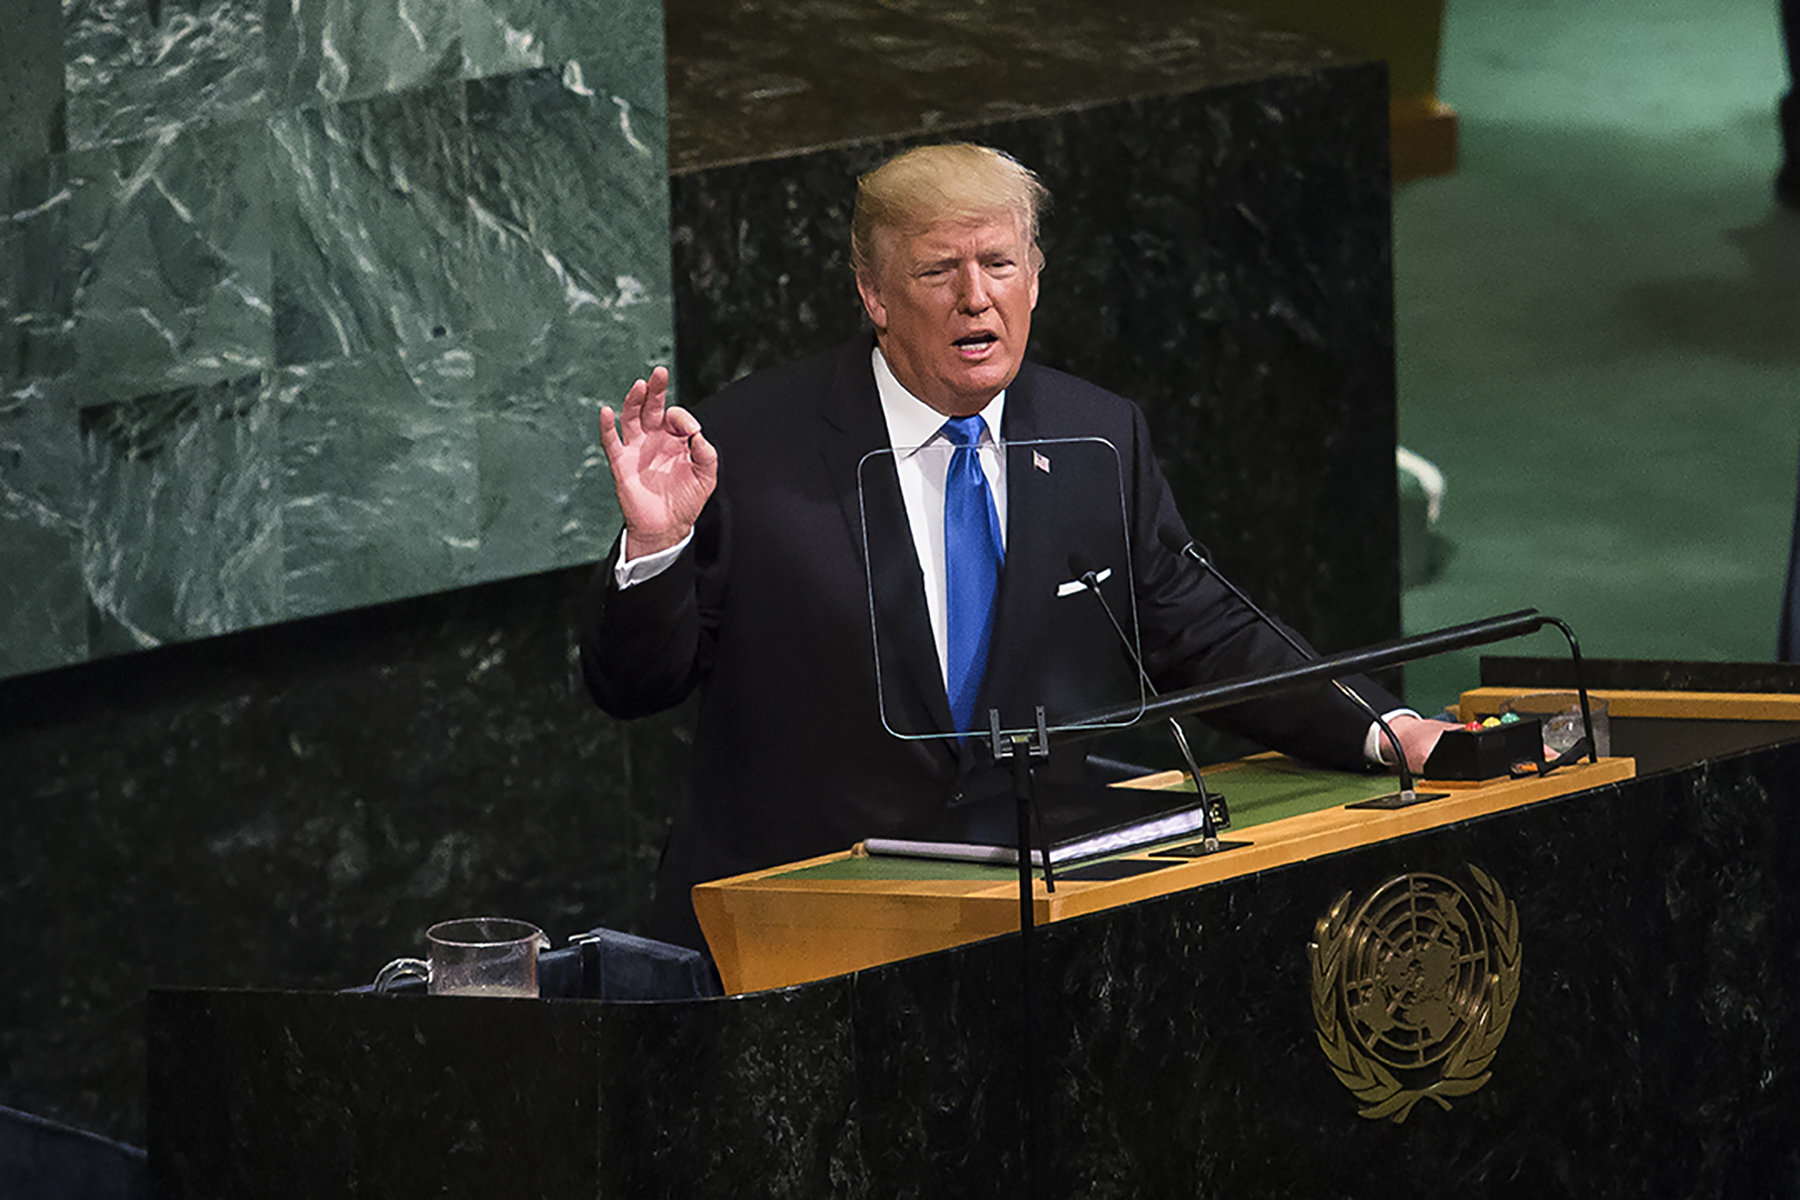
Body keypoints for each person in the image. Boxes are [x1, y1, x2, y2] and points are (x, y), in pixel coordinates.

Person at [582, 143, 1447, 952]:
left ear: (1034, 277)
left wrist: (1384, 729)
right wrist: (656, 545)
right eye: (936, 271)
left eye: (999, 264)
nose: (975, 296)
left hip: (1014, 936)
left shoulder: (1095, 437)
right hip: (792, 934)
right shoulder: (753, 442)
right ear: (874, 295)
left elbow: (1204, 632)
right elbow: (632, 685)